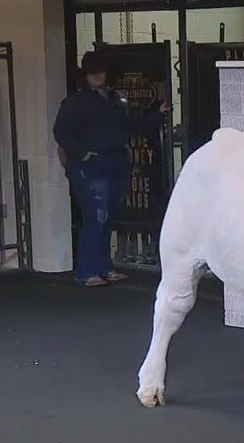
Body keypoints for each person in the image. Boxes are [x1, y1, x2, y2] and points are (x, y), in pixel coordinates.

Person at [53, 51, 169, 287]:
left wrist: (158, 114)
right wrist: (82, 154)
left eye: (100, 71)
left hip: (113, 161)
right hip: (92, 164)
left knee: (106, 217)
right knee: (97, 215)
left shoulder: (115, 100)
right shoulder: (76, 102)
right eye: (92, 72)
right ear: (85, 75)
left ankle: (102, 267)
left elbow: (133, 125)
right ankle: (87, 270)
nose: (97, 76)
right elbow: (62, 132)